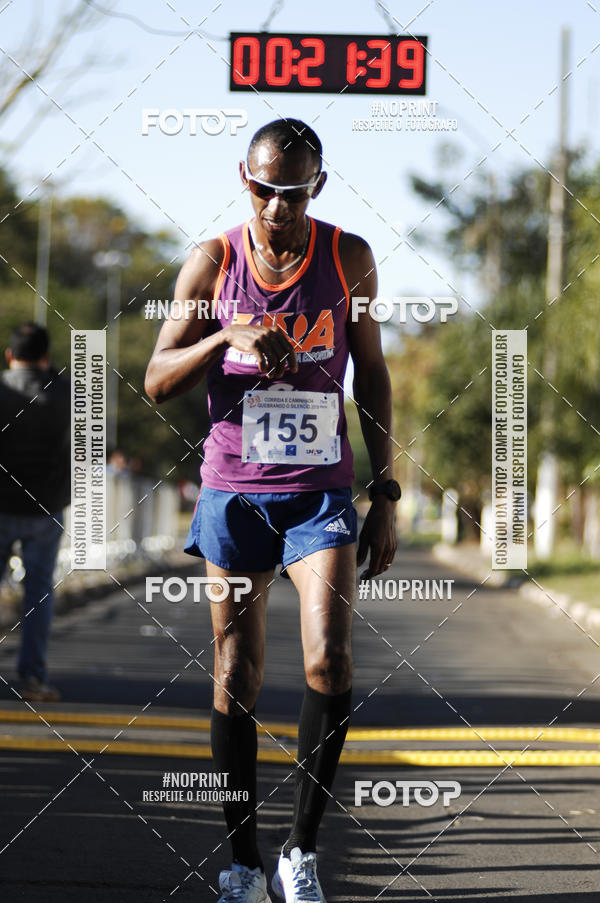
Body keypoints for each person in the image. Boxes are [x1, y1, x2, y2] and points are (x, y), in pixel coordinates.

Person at [145, 119, 400, 903]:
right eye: (263, 189)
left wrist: (386, 490)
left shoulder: (348, 257)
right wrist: (225, 332)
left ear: (317, 186)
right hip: (234, 490)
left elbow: (372, 375)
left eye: (292, 192)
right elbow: (156, 379)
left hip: (319, 492)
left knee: (330, 660)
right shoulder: (213, 261)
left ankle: (300, 852)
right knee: (237, 673)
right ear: (243, 178)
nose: (277, 206)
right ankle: (241, 863)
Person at [0, 323, 70, 702]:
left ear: (9, 355)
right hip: (46, 508)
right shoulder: (64, 392)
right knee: (38, 593)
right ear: (45, 356)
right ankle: (32, 678)